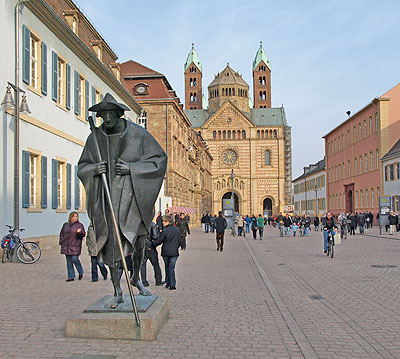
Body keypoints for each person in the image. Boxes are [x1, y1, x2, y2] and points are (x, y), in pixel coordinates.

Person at [77, 93, 167, 308]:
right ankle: (117, 288)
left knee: (138, 241)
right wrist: (94, 170)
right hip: (108, 199)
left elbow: (159, 161)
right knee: (111, 245)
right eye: (103, 115)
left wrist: (132, 168)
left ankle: (136, 277)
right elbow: (83, 166)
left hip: (134, 198)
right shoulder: (95, 137)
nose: (107, 119)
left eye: (111, 115)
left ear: (119, 114)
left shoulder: (139, 135)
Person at [153, 215, 183, 290]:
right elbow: (180, 241)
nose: (162, 223)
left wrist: (153, 243)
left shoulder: (165, 231)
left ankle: (169, 282)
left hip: (166, 252)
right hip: (174, 252)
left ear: (168, 222)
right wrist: (176, 247)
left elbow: (160, 241)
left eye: (164, 221)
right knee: (171, 267)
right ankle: (172, 283)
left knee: (167, 267)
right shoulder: (177, 230)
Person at [59, 212, 86, 282]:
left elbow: (83, 235)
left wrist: (79, 232)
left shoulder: (79, 225)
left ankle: (80, 271)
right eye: (74, 216)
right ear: (71, 217)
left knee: (75, 259)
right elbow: (62, 233)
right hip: (66, 246)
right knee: (69, 261)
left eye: (76, 216)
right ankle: (71, 276)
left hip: (75, 245)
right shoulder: (66, 225)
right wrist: (61, 241)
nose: (75, 218)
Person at [140, 222, 163, 287]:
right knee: (156, 265)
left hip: (142, 247)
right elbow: (155, 236)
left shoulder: (140, 224)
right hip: (151, 247)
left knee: (142, 265)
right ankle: (158, 281)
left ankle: (144, 281)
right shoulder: (152, 224)